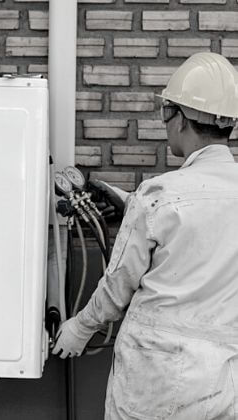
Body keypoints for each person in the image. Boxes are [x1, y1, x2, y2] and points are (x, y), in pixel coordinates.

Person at [52, 52, 238, 419]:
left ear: (181, 118)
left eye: (166, 113)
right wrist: (129, 204)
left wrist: (79, 327)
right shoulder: (156, 201)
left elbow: (117, 286)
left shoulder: (159, 195)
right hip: (222, 378)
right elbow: (200, 227)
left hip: (155, 376)